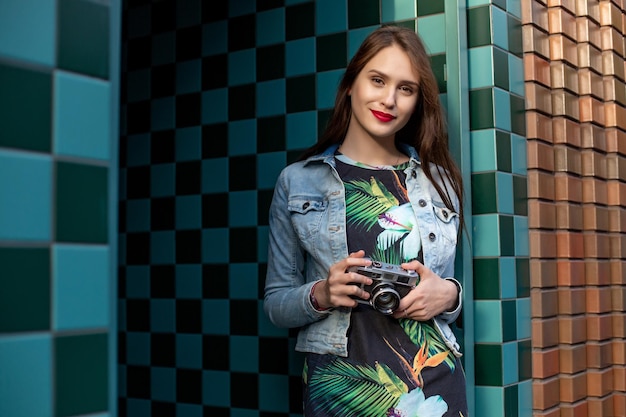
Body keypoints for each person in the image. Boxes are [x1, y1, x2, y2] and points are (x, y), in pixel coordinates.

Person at [264, 25, 468, 417]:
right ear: (352, 84)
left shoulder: (437, 181)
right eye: (377, 80)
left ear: (415, 102)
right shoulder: (298, 181)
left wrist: (449, 295)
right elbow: (276, 302)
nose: (389, 99)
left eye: (405, 89)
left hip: (431, 389)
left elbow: (445, 288)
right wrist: (321, 294)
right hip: (339, 385)